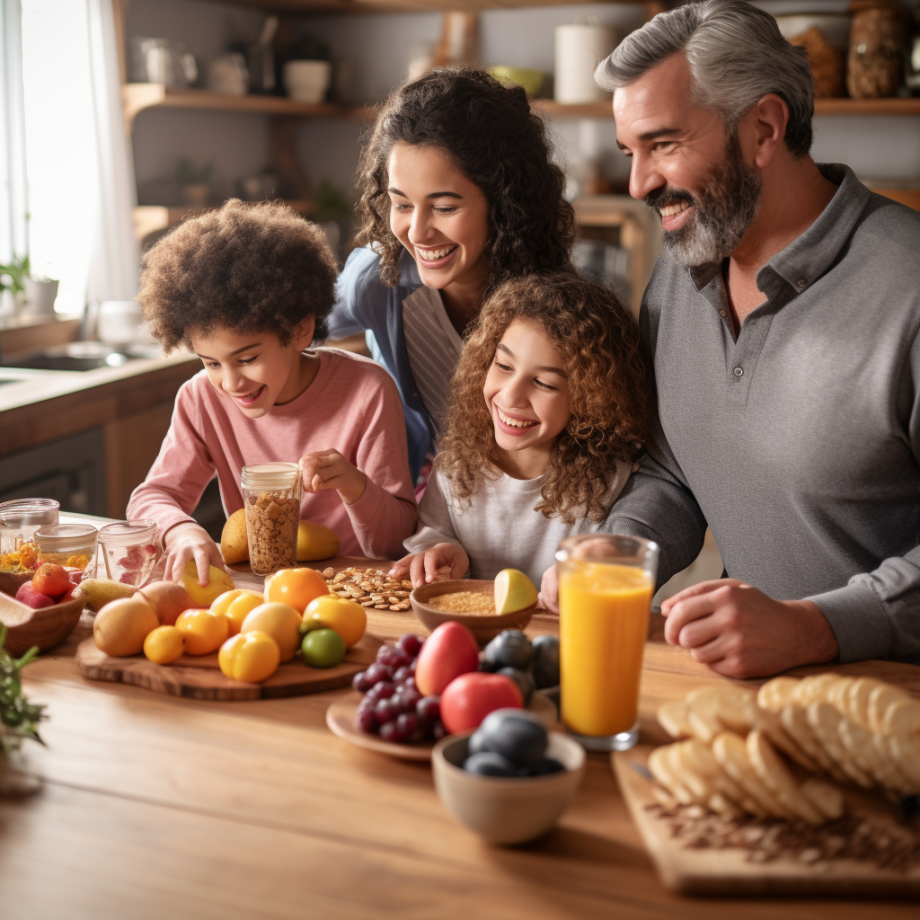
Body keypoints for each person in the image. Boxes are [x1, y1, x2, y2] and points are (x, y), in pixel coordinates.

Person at [543, 0, 920, 677]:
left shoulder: (909, 286)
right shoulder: (676, 276)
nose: (638, 183)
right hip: (749, 704)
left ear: (764, 129)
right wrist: (624, 543)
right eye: (632, 152)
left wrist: (819, 627)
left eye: (663, 144)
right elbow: (674, 469)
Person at [128, 200, 418, 585]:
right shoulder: (201, 399)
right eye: (211, 363)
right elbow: (150, 498)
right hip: (259, 590)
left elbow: (396, 542)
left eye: (247, 359)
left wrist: (353, 484)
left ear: (298, 330)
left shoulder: (367, 390)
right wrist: (181, 530)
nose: (230, 384)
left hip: (353, 590)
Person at [330, 67, 575, 482]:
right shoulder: (377, 282)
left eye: (444, 208)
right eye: (401, 204)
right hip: (421, 507)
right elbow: (295, 327)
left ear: (504, 203)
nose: (418, 232)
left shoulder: (561, 309)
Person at [390, 272, 651, 589]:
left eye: (545, 383)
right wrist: (443, 550)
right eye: (503, 366)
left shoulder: (611, 483)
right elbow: (433, 534)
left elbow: (618, 577)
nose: (511, 396)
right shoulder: (456, 465)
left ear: (590, 398)